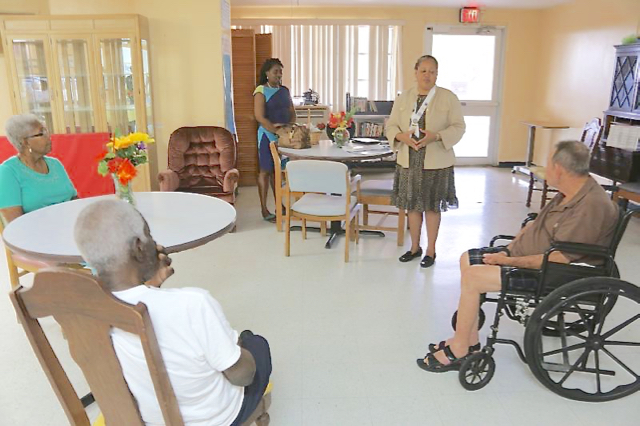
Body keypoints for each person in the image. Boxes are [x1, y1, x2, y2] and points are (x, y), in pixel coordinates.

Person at [418, 141, 619, 372]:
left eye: (547, 164)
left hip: (556, 273)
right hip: (531, 258)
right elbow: (533, 227)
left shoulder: (590, 206)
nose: (545, 168)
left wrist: (507, 261)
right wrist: (506, 251)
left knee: (474, 278)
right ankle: (469, 341)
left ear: (559, 170)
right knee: (467, 258)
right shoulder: (570, 192)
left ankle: (460, 349)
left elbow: (559, 259)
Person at [74, 200, 272, 426]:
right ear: (139, 247)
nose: (155, 243)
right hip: (214, 418)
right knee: (256, 343)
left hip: (146, 419)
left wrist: (149, 286)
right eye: (149, 235)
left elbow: (144, 317)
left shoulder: (84, 311)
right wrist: (236, 343)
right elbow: (242, 376)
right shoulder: (193, 304)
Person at [386, 55, 466, 268]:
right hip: (409, 160)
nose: (427, 75)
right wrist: (401, 137)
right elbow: (391, 125)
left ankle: (430, 250)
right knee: (412, 206)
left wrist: (436, 136)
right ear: (415, 72)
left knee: (431, 207)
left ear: (437, 74)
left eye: (432, 71)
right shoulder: (404, 98)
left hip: (436, 162)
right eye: (423, 71)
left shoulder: (448, 97)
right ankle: (414, 247)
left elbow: (459, 127)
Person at [0, 114, 77, 223]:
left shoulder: (55, 164)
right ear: (25, 142)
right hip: (36, 235)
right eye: (42, 133)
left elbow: (74, 199)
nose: (49, 137)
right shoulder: (8, 171)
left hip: (69, 226)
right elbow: (15, 223)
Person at [253, 58, 296, 223]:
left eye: (280, 72)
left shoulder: (284, 90)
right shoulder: (261, 90)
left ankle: (281, 206)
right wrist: (276, 130)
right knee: (266, 171)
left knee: (279, 172)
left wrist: (289, 128)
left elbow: (292, 111)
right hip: (267, 136)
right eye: (275, 71)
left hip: (284, 136)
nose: (279, 75)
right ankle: (264, 209)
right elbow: (259, 117)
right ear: (267, 73)